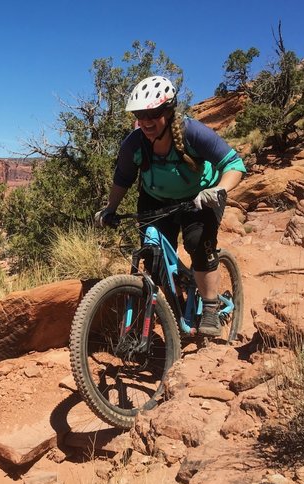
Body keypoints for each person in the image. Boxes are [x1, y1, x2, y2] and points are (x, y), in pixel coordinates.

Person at [94, 76, 246, 336]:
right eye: (140, 114)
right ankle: (177, 303)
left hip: (199, 199)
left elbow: (234, 165)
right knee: (152, 257)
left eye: (152, 113)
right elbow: (123, 179)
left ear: (167, 111)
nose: (145, 121)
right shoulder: (135, 143)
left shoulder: (193, 133)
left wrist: (218, 189)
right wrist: (110, 209)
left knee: (198, 243)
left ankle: (210, 305)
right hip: (155, 201)